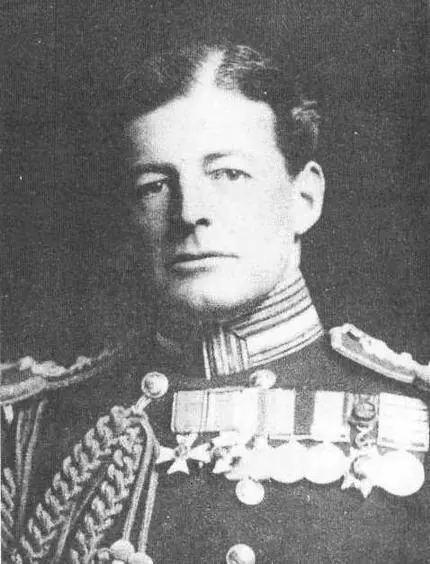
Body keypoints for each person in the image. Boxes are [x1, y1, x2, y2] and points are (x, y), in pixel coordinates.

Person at [2, 41, 430, 564]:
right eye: (155, 185)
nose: (190, 212)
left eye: (228, 174)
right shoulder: (31, 432)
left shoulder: (418, 417)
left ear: (304, 199)